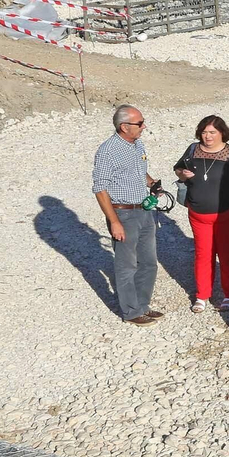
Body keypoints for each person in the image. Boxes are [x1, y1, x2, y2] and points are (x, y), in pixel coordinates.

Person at [92, 105, 163, 326]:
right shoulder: (108, 151)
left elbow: (138, 171)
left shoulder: (136, 143)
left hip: (144, 210)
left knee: (149, 262)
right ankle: (131, 312)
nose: (144, 126)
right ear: (124, 126)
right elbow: (99, 188)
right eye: (139, 123)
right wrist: (114, 222)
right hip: (123, 214)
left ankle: (142, 306)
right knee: (127, 265)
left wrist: (151, 183)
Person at [174, 116, 229, 314]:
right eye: (204, 132)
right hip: (197, 214)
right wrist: (182, 174)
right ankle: (202, 295)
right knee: (203, 254)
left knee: (227, 254)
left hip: (227, 213)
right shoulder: (192, 149)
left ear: (222, 132)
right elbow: (178, 168)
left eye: (212, 132)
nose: (208, 136)